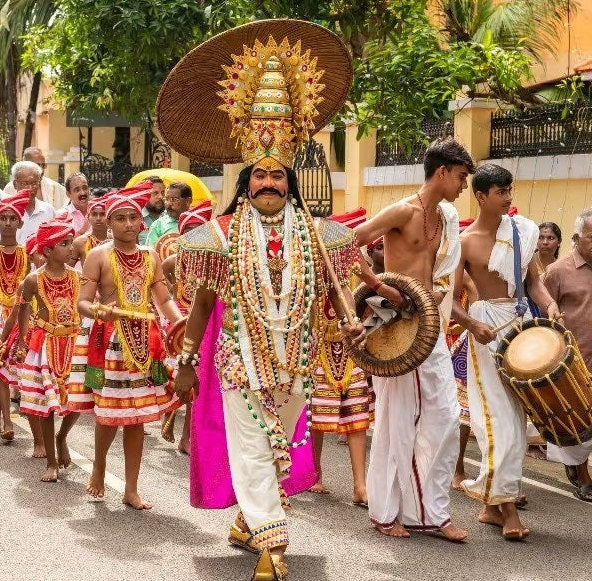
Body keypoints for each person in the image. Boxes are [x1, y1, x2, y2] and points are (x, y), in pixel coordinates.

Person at [165, 24, 364, 580]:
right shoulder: (217, 235)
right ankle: (273, 547)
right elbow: (202, 306)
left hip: (297, 360)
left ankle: (249, 522)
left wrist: (352, 325)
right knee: (252, 446)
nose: (270, 181)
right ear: (246, 181)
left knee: (278, 445)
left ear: (290, 180)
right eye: (260, 174)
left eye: (279, 174)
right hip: (239, 361)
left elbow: (340, 294)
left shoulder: (321, 236)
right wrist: (185, 364)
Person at [355, 137, 474, 543]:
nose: (462, 185)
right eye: (459, 177)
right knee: (396, 419)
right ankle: (387, 513)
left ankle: (428, 512)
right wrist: (379, 286)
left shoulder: (445, 216)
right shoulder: (402, 211)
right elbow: (348, 245)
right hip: (396, 328)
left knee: (444, 415)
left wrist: (437, 293)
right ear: (441, 172)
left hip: (430, 325)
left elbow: (439, 271)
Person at [451, 163, 560, 540]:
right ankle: (508, 510)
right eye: (500, 191)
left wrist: (547, 306)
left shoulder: (522, 231)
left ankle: (490, 506)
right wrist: (471, 324)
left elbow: (534, 284)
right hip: (484, 332)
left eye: (510, 189)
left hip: (519, 326)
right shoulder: (463, 242)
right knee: (495, 420)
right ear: (481, 197)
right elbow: (448, 300)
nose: (508, 197)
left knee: (516, 420)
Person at [67, 183, 182, 509]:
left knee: (139, 416)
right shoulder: (97, 256)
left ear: (140, 222)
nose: (128, 223)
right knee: (108, 415)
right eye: (121, 218)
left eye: (133, 217)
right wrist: (99, 310)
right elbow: (83, 303)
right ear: (110, 222)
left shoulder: (151, 256)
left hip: (147, 343)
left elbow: (164, 299)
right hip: (109, 344)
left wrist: (180, 325)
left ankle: (131, 488)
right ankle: (99, 467)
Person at [309, 208, 372, 507]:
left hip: (349, 346)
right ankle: (314, 472)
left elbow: (369, 284)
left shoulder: (354, 261)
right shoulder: (307, 262)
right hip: (317, 345)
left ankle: (360, 484)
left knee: (357, 416)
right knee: (316, 417)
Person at [16, 218, 81, 482]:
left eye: (70, 243)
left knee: (77, 400)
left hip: (74, 345)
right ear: (47, 250)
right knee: (46, 404)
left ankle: (62, 436)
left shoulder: (77, 276)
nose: (70, 248)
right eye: (63, 244)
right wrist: (22, 339)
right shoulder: (33, 279)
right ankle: (51, 463)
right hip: (45, 347)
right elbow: (23, 308)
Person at [544, 208, 592, 502]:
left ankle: (576, 467)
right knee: (580, 419)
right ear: (576, 238)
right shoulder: (557, 272)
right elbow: (542, 316)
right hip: (575, 361)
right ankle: (581, 473)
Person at [160, 201, 213, 454]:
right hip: (179, 322)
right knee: (174, 379)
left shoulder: (212, 260)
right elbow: (166, 287)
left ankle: (186, 436)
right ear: (180, 234)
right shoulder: (172, 261)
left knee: (197, 381)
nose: (194, 235)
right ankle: (168, 416)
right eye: (189, 230)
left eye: (199, 230)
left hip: (202, 323)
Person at [0, 191, 30, 442]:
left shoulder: (27, 254)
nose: (8, 223)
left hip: (21, 314)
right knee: (0, 368)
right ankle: (7, 421)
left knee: (21, 366)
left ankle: (33, 419)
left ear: (20, 222)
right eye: (3, 218)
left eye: (13, 218)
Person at [10, 161, 56, 245]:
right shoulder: (6, 211)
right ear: (15, 184)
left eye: (34, 183)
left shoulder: (48, 210)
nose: (30, 188)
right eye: (25, 183)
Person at [145, 182, 192, 247]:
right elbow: (150, 254)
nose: (169, 203)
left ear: (188, 201)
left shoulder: (199, 223)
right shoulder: (157, 226)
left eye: (174, 199)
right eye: (166, 199)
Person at [70, 196, 111, 267]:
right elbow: (67, 269)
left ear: (109, 218)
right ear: (88, 217)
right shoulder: (79, 242)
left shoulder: (115, 241)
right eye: (94, 214)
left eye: (102, 214)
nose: (98, 218)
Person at [138, 176, 165, 245]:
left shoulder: (170, 216)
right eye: (155, 193)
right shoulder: (136, 218)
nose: (161, 197)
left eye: (162, 192)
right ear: (144, 195)